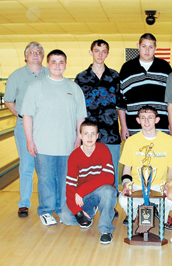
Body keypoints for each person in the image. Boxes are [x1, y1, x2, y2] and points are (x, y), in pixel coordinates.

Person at [21, 49, 87, 226]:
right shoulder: (36, 86)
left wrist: (78, 138)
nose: (58, 65)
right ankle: (45, 210)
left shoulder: (73, 88)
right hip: (43, 145)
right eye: (54, 62)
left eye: (61, 62)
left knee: (66, 180)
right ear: (47, 64)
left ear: (66, 64)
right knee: (46, 180)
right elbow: (27, 115)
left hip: (67, 145)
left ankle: (61, 209)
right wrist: (29, 140)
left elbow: (81, 116)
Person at [74, 39, 121, 217]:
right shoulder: (81, 78)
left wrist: (123, 127)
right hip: (88, 134)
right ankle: (90, 202)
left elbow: (120, 106)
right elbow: (77, 109)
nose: (100, 54)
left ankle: (110, 205)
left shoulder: (115, 76)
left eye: (103, 51)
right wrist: (78, 135)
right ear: (91, 52)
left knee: (111, 170)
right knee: (89, 171)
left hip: (110, 133)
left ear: (107, 54)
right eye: (97, 50)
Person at [4, 42, 49, 218]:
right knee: (26, 166)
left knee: (45, 167)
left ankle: (47, 202)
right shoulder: (16, 75)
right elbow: (8, 100)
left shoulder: (49, 73)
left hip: (46, 126)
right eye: (31, 52)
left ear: (43, 56)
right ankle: (24, 204)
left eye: (38, 52)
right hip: (24, 127)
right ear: (26, 56)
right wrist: (22, 116)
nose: (35, 54)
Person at [119, 105, 172, 229]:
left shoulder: (169, 140)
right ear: (138, 120)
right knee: (123, 200)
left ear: (157, 120)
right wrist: (126, 185)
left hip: (160, 186)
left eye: (150, 117)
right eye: (143, 118)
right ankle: (134, 214)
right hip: (137, 186)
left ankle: (164, 214)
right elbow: (127, 169)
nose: (146, 121)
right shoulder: (131, 141)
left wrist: (169, 184)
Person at [60, 120, 117, 245]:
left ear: (97, 136)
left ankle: (105, 230)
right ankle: (89, 214)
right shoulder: (74, 156)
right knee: (66, 217)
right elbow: (70, 187)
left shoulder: (103, 149)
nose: (89, 137)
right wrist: (77, 211)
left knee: (109, 191)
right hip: (84, 197)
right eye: (86, 134)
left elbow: (109, 178)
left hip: (100, 191)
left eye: (93, 134)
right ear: (80, 135)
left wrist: (81, 190)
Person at [117, 33, 172, 140]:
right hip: (134, 128)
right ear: (138, 46)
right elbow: (121, 102)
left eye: (150, 47)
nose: (147, 51)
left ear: (155, 48)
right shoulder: (127, 68)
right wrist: (123, 126)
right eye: (144, 46)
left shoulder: (164, 67)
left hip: (161, 127)